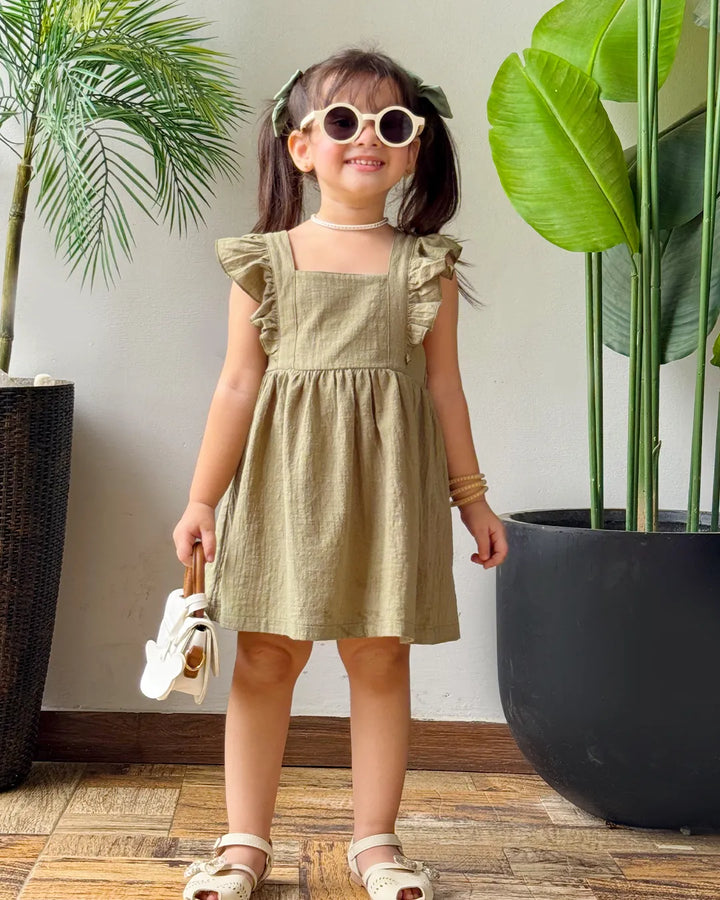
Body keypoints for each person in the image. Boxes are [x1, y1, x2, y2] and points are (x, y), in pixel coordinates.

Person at [173, 45, 508, 900]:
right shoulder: (265, 261)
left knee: (380, 658)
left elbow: (443, 390)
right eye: (343, 121)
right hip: (283, 488)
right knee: (263, 660)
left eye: (392, 123)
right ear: (301, 146)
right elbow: (237, 384)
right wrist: (202, 498)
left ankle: (375, 843)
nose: (369, 138)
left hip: (389, 495)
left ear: (415, 145)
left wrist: (472, 501)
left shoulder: (424, 264)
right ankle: (243, 842)